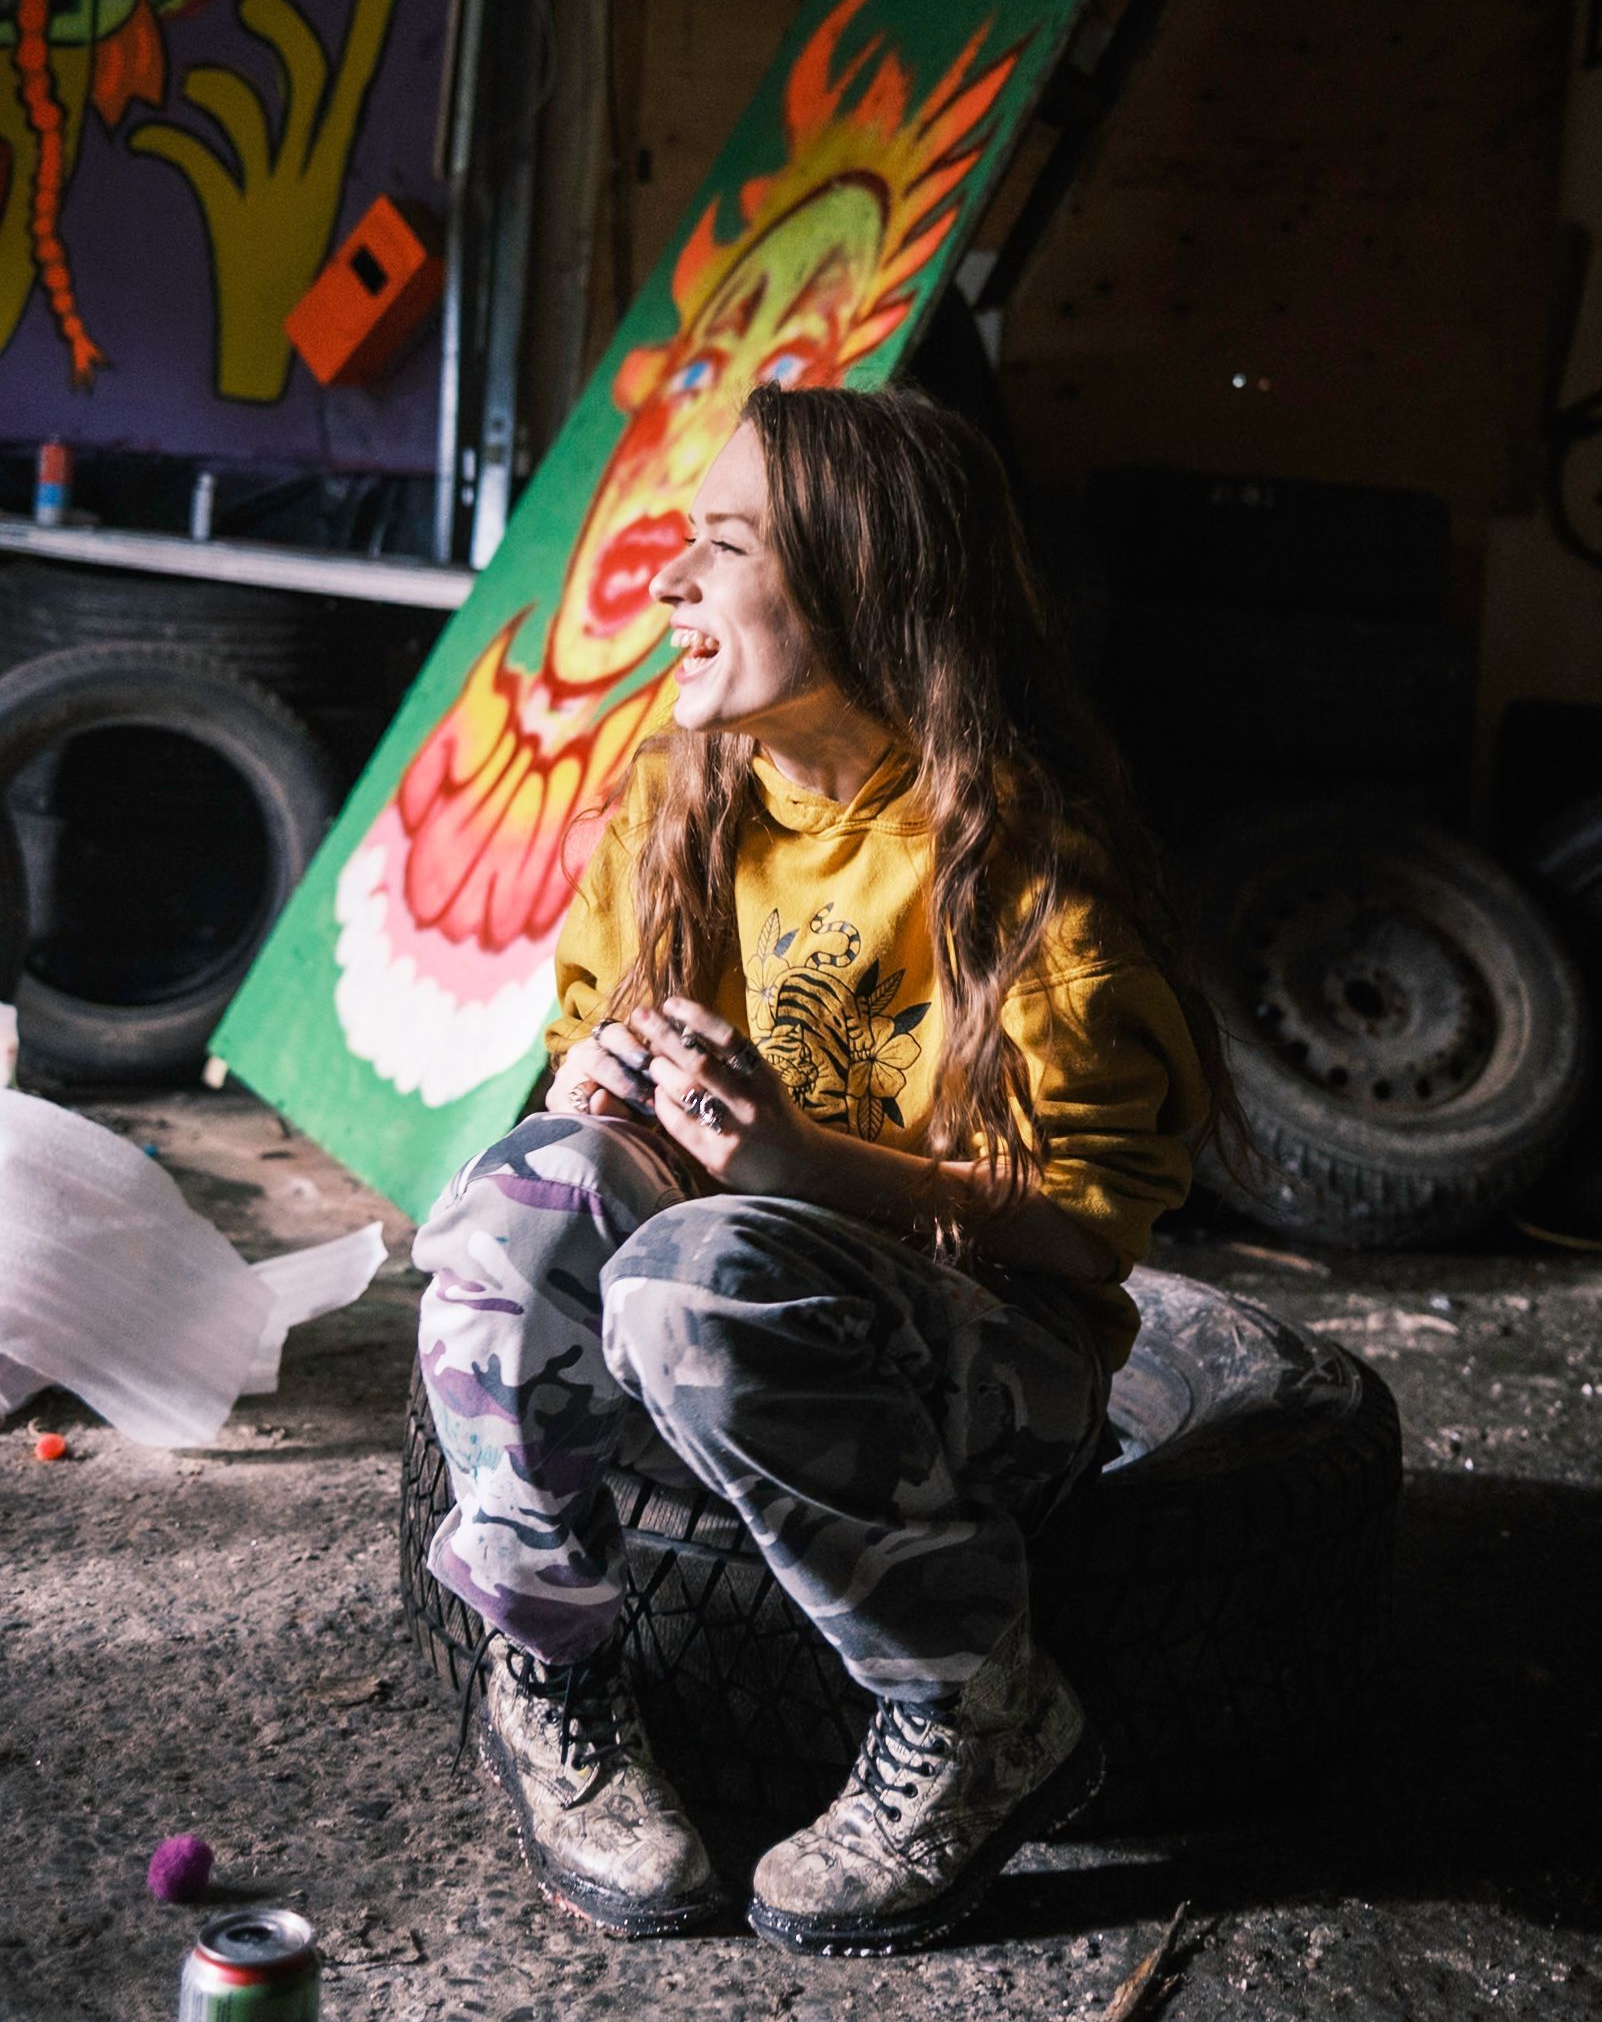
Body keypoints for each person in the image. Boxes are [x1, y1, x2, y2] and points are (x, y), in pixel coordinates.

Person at [413, 383, 1221, 1956]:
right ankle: (558, 1673)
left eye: (722, 546)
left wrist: (807, 1165)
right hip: (727, 1319)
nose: (666, 584)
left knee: (692, 1276)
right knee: (539, 1187)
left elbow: (1096, 1229)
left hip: (989, 1366)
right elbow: (588, 1051)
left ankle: (980, 1705)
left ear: (864, 580)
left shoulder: (1019, 859)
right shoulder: (678, 797)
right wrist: (603, 1087)